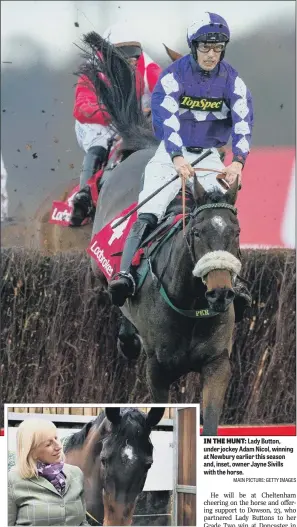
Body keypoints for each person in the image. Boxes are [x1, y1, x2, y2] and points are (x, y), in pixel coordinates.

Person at [108, 12, 254, 312]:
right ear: (193, 46)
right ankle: (125, 275)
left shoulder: (233, 81)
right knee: (149, 212)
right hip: (169, 154)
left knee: (222, 216)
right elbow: (164, 118)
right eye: (205, 48)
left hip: (210, 155)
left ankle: (236, 284)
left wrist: (238, 161)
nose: (212, 54)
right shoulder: (174, 76)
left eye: (217, 48)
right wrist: (176, 156)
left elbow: (243, 122)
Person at [70, 22, 162, 226]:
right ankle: (84, 197)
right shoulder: (92, 70)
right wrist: (112, 114)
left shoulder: (149, 66)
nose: (130, 60)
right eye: (124, 55)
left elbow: (167, 93)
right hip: (99, 123)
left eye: (134, 54)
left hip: (139, 120)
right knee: (100, 144)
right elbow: (81, 107)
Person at [8, 418, 89, 526]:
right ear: (32, 451)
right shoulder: (12, 480)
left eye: (56, 438)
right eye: (48, 444)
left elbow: (82, 522)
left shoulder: (76, 474)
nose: (59, 446)